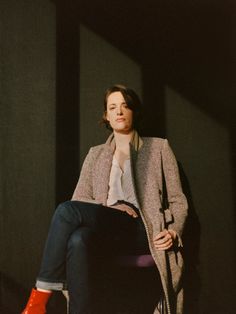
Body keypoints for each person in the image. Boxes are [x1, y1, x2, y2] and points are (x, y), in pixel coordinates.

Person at [22, 85, 188, 314]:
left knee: (65, 211)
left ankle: (39, 300)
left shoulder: (158, 148)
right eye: (113, 107)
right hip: (107, 223)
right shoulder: (95, 154)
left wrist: (174, 231)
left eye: (125, 106)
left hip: (141, 228)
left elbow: (178, 200)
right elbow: (80, 198)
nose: (119, 111)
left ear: (133, 112)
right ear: (106, 116)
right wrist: (109, 208)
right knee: (78, 239)